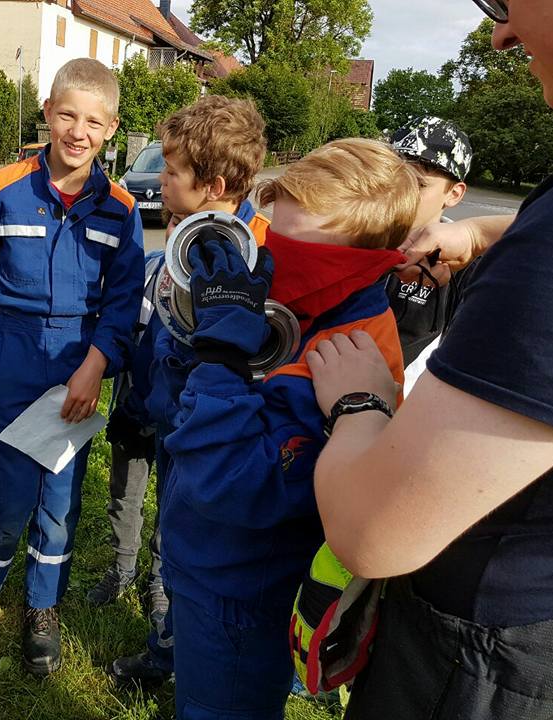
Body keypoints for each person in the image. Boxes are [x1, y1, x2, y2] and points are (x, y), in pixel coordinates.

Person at [305, 1, 553, 718]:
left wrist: (357, 404)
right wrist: (488, 233)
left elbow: (373, 532)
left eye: (508, 0)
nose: (501, 33)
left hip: (479, 664)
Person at [150, 138, 418, 719]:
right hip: (205, 563)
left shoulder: (349, 352)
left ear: (357, 257)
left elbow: (236, 482)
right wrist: (192, 332)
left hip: (244, 588)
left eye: (299, 249)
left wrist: (220, 359)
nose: (275, 262)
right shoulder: (304, 303)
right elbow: (178, 420)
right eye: (273, 236)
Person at [0, 58, 144, 676]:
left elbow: (120, 302)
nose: (77, 132)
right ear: (47, 115)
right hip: (14, 353)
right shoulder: (1, 188)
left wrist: (96, 366)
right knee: (6, 495)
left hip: (78, 365)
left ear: (110, 128)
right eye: (66, 115)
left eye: (92, 121)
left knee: (59, 499)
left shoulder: (120, 208)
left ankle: (42, 607)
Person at [104, 95, 270, 688]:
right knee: (173, 538)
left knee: (186, 547)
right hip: (172, 419)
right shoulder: (195, 235)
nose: (162, 181)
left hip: (201, 432)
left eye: (172, 172)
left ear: (213, 184)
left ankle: (171, 658)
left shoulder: (231, 257)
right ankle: (168, 643)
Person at [386, 116, 474, 369]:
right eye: (391, 178)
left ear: (454, 194)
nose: (397, 192)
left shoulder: (466, 266)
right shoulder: (355, 238)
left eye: (417, 184)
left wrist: (476, 234)